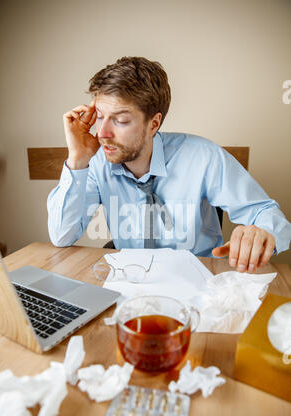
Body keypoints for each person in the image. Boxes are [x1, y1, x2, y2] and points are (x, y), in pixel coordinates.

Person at [47, 56, 291, 273]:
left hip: (199, 279)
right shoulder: (96, 163)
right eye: (99, 116)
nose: (102, 132)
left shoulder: (204, 157)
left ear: (153, 124)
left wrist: (262, 232)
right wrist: (77, 161)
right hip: (130, 279)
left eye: (120, 120)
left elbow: (270, 217)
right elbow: (62, 236)